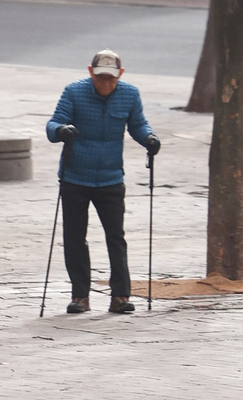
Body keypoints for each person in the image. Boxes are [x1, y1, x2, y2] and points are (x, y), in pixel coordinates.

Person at [45, 48, 159, 315]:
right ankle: (80, 297)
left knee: (116, 238)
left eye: (111, 78)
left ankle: (120, 296)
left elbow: (138, 125)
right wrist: (61, 130)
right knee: (74, 237)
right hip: (75, 176)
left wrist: (150, 139)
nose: (106, 83)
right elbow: (53, 124)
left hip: (110, 179)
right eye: (100, 78)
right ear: (90, 72)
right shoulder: (74, 92)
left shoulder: (130, 94)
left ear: (120, 75)